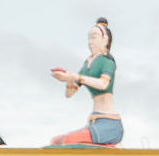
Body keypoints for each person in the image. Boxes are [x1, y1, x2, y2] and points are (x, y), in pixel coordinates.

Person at [49, 18, 124, 147]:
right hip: (95, 121)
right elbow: (70, 93)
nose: (90, 42)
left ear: (104, 39)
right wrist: (68, 79)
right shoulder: (88, 63)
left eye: (94, 38)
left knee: (68, 142)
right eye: (89, 38)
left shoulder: (107, 62)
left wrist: (77, 77)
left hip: (110, 123)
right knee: (56, 141)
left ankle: (111, 148)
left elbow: (103, 84)